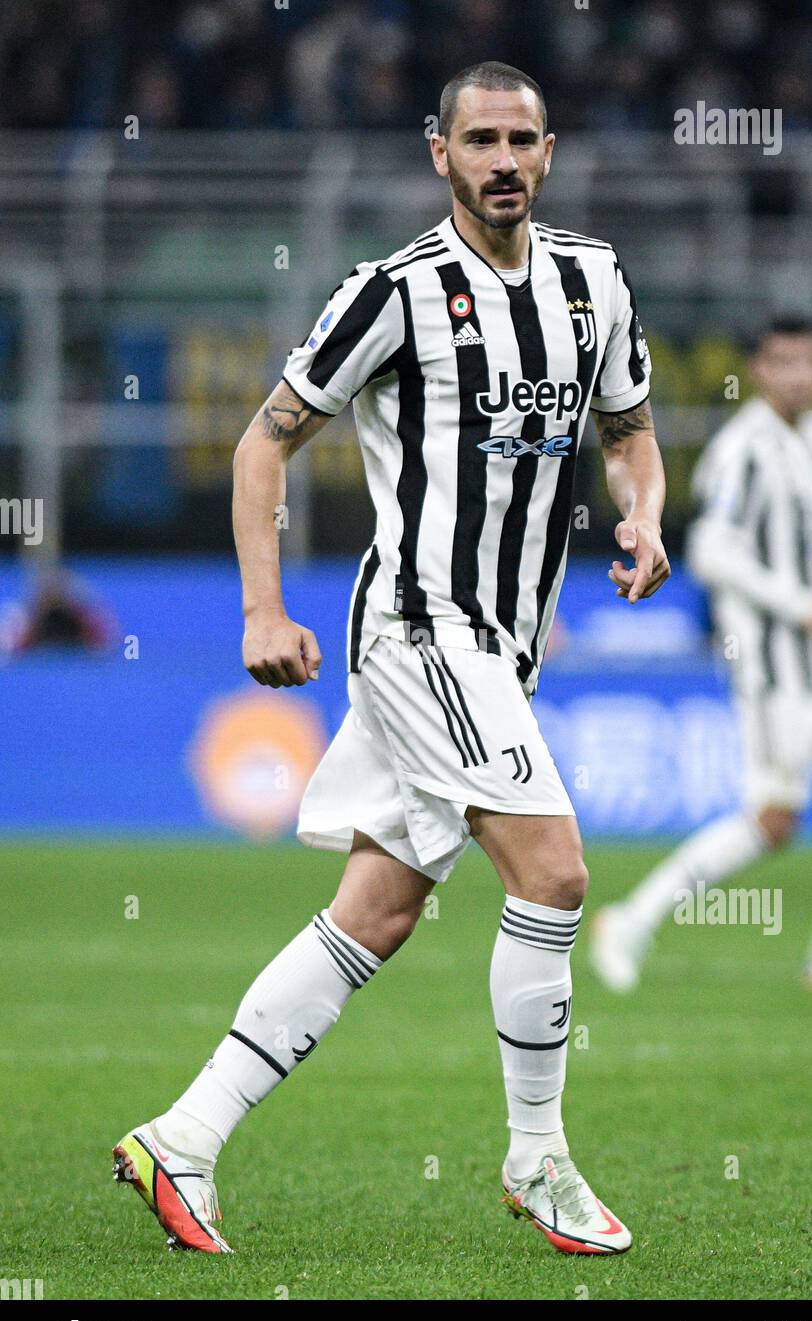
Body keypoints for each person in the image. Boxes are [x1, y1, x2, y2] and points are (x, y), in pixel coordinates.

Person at [113, 61, 669, 1257]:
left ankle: (184, 1136)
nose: (503, 160)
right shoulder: (393, 293)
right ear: (439, 153)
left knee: (377, 908)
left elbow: (628, 429)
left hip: (505, 647)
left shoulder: (593, 283)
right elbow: (265, 445)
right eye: (481, 140)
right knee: (556, 875)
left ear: (550, 151)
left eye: (522, 139)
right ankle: (538, 1157)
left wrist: (644, 513)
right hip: (423, 628)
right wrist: (261, 612)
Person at [591, 317, 812, 993]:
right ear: (759, 370)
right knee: (773, 819)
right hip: (776, 666)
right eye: (782, 362)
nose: (798, 374)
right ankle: (632, 919)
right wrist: (804, 609)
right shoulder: (742, 449)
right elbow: (713, 553)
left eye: (809, 360)